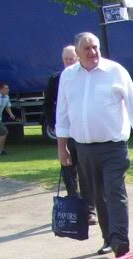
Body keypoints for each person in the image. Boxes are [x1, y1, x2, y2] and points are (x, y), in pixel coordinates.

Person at [56, 31, 133, 257]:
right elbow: (62, 114)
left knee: (114, 191)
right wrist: (62, 147)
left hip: (113, 146)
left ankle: (120, 241)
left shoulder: (115, 71)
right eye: (87, 49)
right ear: (77, 52)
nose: (92, 52)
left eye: (95, 47)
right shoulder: (68, 76)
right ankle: (108, 238)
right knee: (99, 196)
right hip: (84, 148)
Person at [44, 45, 96, 224]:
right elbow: (49, 104)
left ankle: (89, 209)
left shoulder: (86, 77)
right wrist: (55, 126)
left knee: (85, 172)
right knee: (68, 170)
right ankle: (74, 203)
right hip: (66, 133)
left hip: (82, 133)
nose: (68, 63)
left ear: (78, 58)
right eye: (65, 59)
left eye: (71, 59)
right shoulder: (56, 79)